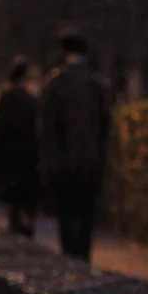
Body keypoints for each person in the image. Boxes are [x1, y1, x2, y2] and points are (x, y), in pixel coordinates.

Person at [39, 34, 111, 261]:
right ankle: (83, 256)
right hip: (90, 162)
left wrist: (50, 163)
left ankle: (70, 259)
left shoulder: (54, 84)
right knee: (86, 215)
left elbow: (46, 130)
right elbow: (105, 127)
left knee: (67, 216)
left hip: (63, 164)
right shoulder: (97, 85)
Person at [0, 58, 41, 237]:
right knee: (26, 194)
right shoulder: (30, 99)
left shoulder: (7, 98)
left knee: (14, 196)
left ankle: (17, 223)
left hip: (10, 155)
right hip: (27, 154)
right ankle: (26, 223)